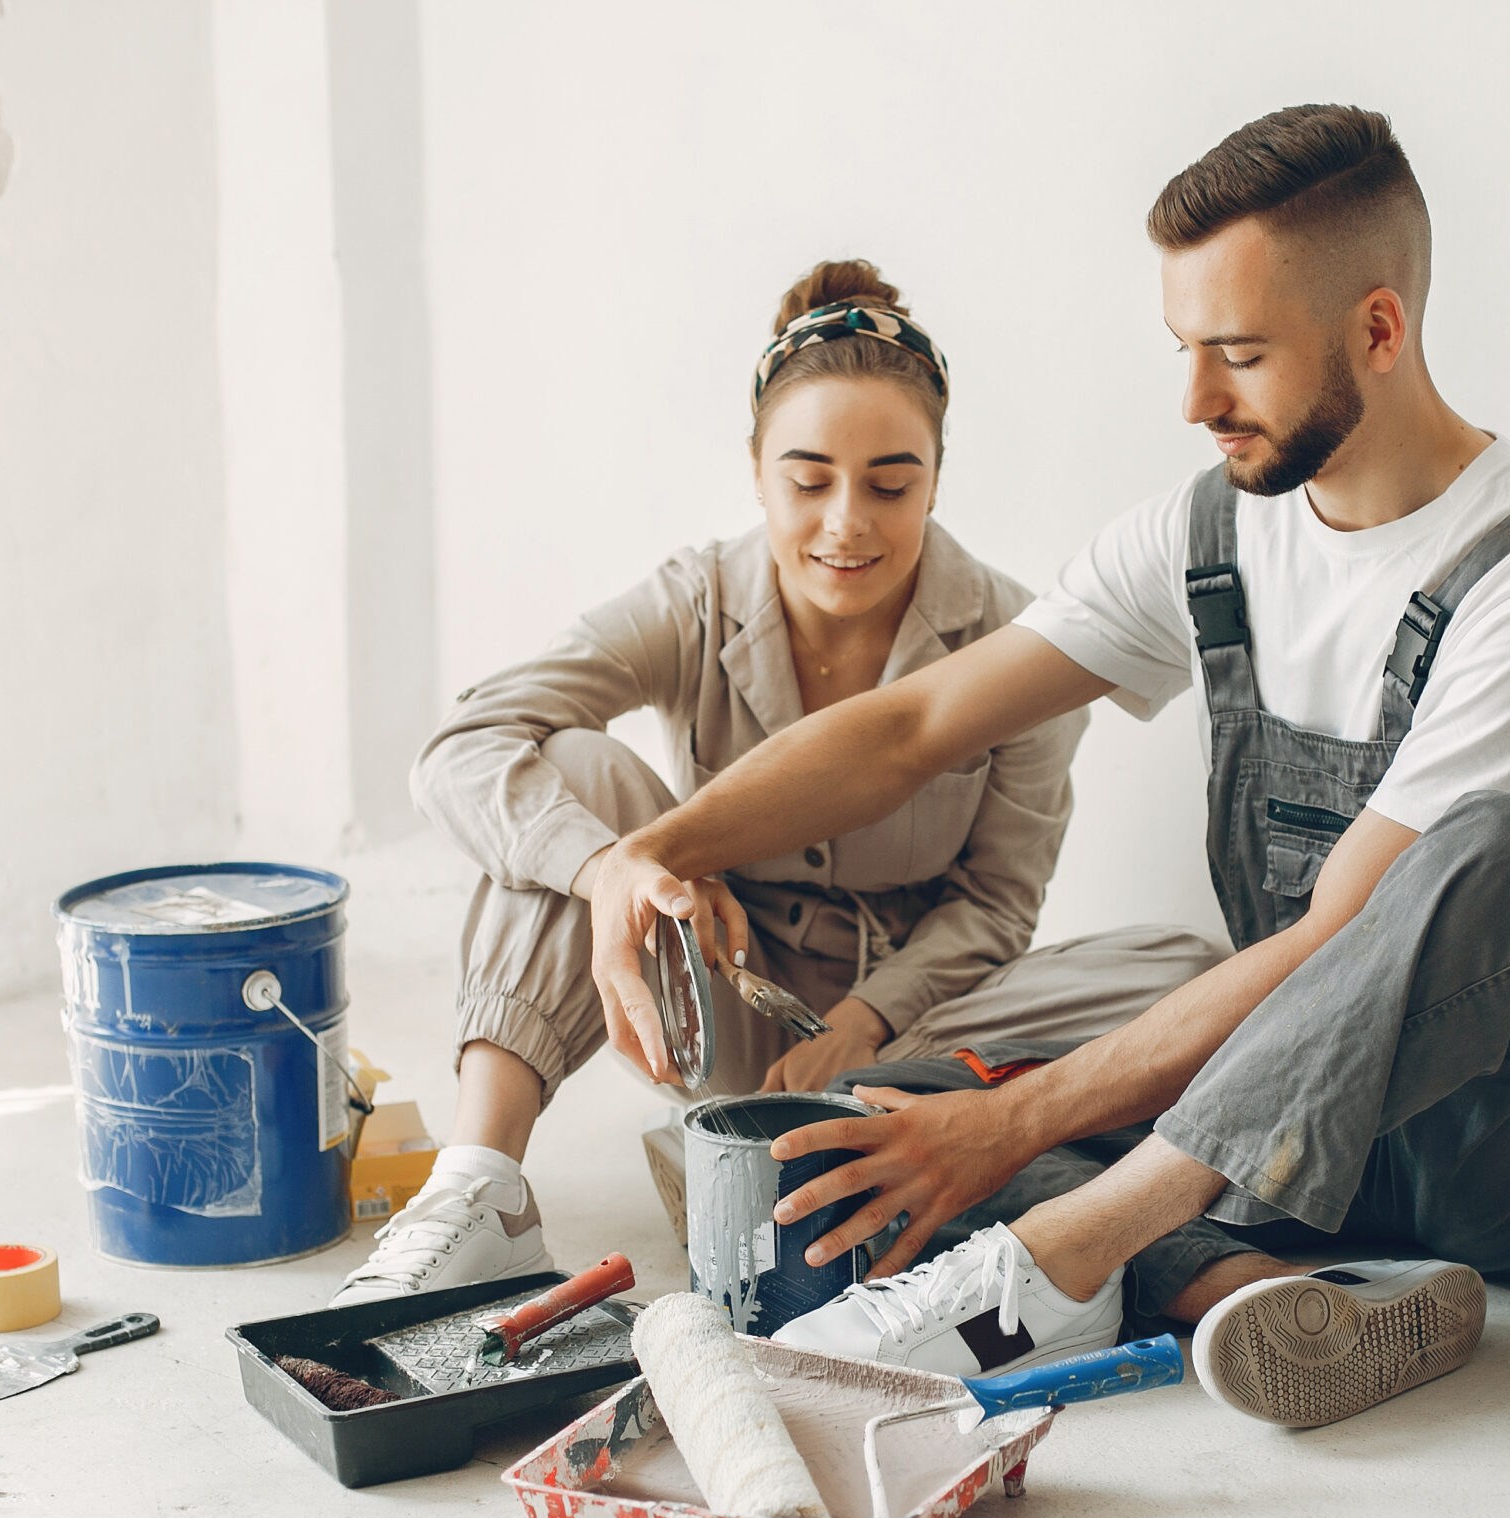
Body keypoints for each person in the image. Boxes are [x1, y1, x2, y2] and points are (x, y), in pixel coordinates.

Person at [584, 107, 1510, 1428]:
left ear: (1378, 331)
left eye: (1238, 355)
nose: (1194, 401)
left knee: (1497, 849)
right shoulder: (1209, 530)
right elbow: (913, 724)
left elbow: (1341, 940)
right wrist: (659, 848)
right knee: (894, 1109)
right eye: (1185, 350)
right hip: (1299, 1137)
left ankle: (1070, 1249)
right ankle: (1252, 1294)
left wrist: (1015, 1134)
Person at [331, 260, 1223, 1307]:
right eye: (808, 481)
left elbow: (996, 905)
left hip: (918, 1031)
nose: (847, 521)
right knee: (570, 776)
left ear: (937, 476)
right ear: (756, 472)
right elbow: (463, 745)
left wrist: (867, 1020)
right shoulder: (695, 597)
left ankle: (775, 1148)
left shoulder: (1018, 639)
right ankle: (479, 1187)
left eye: (891, 485)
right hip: (716, 998)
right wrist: (610, 872)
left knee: (1187, 971)